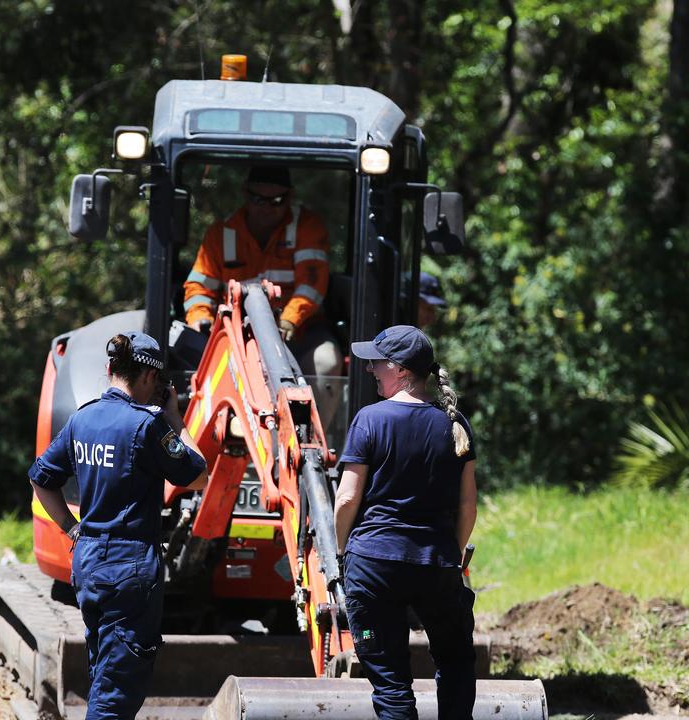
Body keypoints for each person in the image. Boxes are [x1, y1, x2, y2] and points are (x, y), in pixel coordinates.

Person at [29, 332, 208, 719]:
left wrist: (71, 527)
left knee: (104, 671)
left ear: (110, 368)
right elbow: (196, 475)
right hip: (129, 568)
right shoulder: (149, 425)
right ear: (148, 377)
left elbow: (41, 479)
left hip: (89, 561)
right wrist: (176, 418)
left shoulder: (82, 418)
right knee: (118, 691)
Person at [333, 325, 478, 720]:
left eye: (376, 363)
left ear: (398, 370)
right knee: (456, 663)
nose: (370, 370)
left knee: (392, 683)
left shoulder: (370, 420)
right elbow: (468, 507)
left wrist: (344, 551)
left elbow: (347, 497)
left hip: (374, 563)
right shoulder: (454, 424)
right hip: (436, 563)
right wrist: (455, 554)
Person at [182, 165, 342, 378]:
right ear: (246, 194)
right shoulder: (221, 234)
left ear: (289, 197)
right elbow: (200, 288)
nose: (267, 207)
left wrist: (288, 321)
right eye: (259, 199)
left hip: (299, 333)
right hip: (234, 335)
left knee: (326, 362)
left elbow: (312, 284)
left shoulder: (307, 227)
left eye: (276, 201)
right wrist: (201, 320)